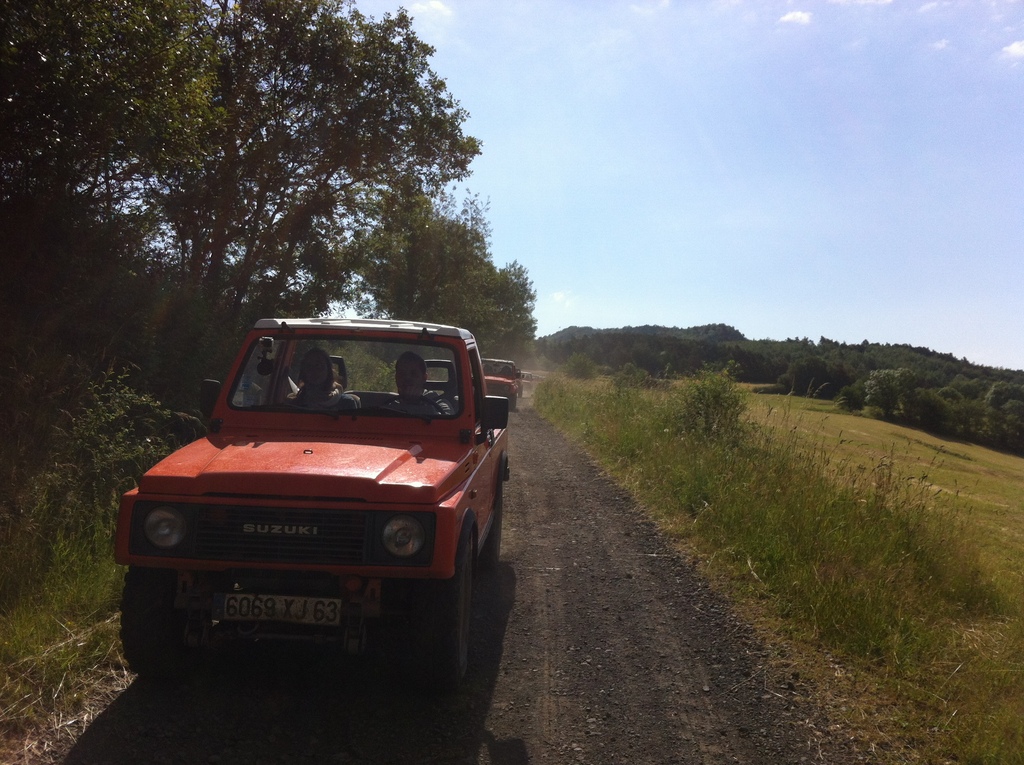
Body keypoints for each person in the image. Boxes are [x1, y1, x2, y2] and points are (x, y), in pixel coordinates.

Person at [288, 348, 359, 410]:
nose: (314, 371)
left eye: (319, 365)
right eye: (309, 366)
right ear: (303, 372)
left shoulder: (346, 404)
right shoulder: (295, 405)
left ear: (328, 370)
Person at [388, 351, 453, 415]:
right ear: (396, 377)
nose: (407, 378)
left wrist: (416, 405)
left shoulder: (438, 404)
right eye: (402, 374)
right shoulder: (388, 404)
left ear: (424, 378)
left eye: (413, 374)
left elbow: (448, 418)